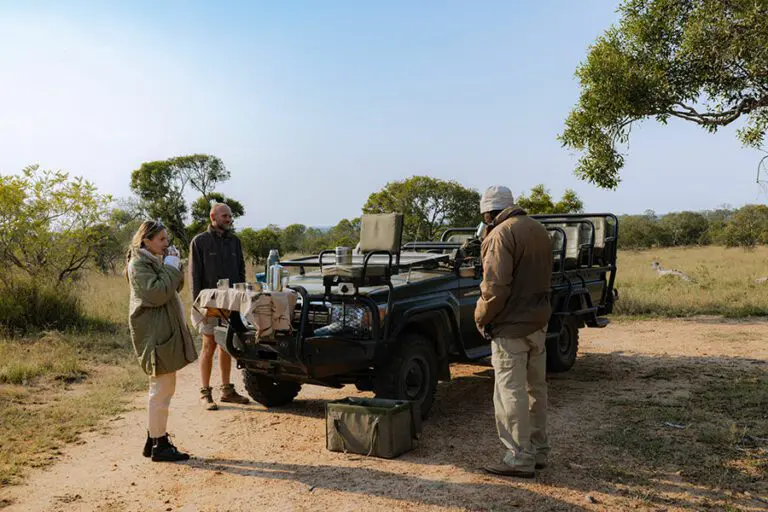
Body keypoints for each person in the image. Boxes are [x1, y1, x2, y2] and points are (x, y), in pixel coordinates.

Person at [473, 185, 553, 478]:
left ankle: (519, 458)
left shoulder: (500, 235)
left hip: (511, 327)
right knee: (536, 389)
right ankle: (539, 451)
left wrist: (480, 316)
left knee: (510, 393)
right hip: (538, 322)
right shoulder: (537, 229)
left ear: (488, 212)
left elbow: (495, 289)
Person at [126, 220, 198, 462]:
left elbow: (173, 288)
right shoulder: (139, 264)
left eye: (167, 239)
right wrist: (169, 266)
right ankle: (160, 444)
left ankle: (152, 438)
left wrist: (174, 265)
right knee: (161, 389)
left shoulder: (154, 260)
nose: (167, 244)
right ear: (146, 240)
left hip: (161, 330)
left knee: (163, 388)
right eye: (162, 240)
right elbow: (157, 294)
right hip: (154, 334)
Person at [189, 203, 250, 410]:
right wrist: (199, 305)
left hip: (232, 302)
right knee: (209, 346)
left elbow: (241, 271)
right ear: (213, 217)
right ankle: (205, 393)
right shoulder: (200, 242)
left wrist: (243, 298)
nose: (229, 219)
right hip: (210, 303)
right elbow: (195, 276)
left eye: (230, 216)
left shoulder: (235, 241)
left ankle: (227, 390)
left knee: (227, 346)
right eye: (225, 216)